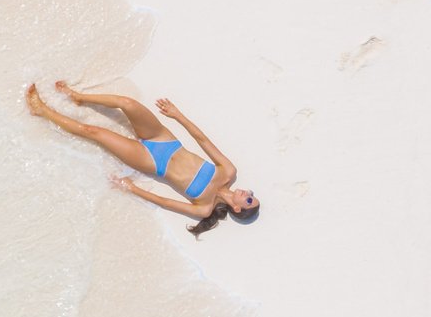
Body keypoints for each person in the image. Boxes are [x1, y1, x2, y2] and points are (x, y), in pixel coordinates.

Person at [25, 81, 259, 236]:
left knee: (93, 132)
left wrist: (132, 189)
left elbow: (165, 202)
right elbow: (203, 141)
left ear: (237, 209)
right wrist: (178, 116)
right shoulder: (228, 172)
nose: (248, 194)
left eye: (248, 200)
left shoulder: (204, 209)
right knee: (127, 104)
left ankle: (42, 111)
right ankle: (78, 97)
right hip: (165, 140)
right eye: (252, 195)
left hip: (150, 161)